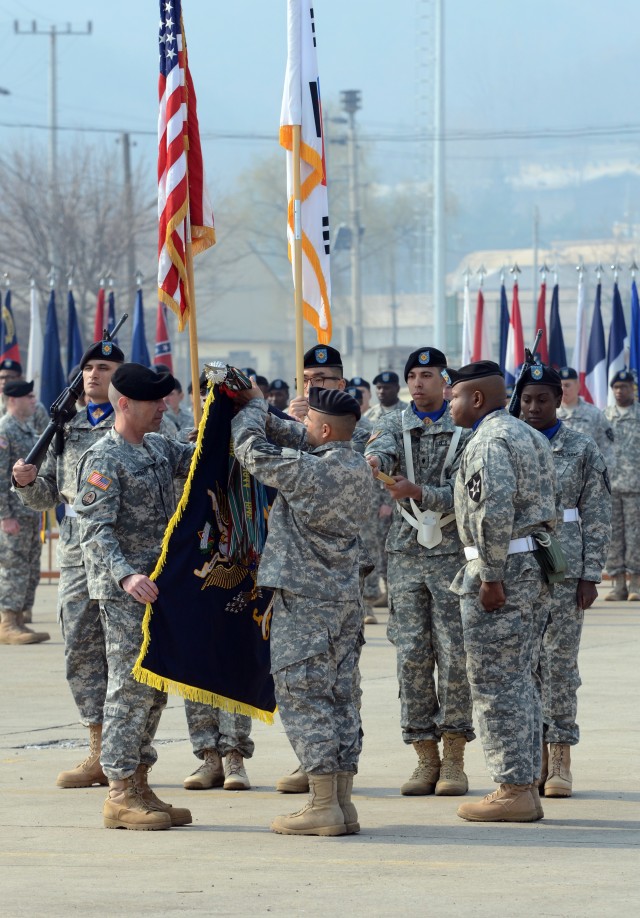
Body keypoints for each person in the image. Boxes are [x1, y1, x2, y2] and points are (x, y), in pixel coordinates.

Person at [232, 385, 373, 836]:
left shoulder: (310, 472)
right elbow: (297, 436)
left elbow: (249, 449)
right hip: (345, 600)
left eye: (309, 422)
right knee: (341, 697)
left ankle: (321, 804)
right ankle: (343, 805)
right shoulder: (357, 466)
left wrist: (252, 408)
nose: (303, 428)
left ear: (326, 429)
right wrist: (274, 412)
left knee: (303, 694)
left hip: (305, 600)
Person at [73, 363, 195, 831]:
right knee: (128, 687)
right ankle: (120, 791)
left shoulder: (159, 446)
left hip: (161, 587)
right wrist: (125, 575)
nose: (164, 407)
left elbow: (200, 460)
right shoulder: (104, 458)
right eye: (155, 401)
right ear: (125, 403)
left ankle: (141, 783)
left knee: (155, 688)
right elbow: (94, 529)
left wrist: (232, 413)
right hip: (127, 592)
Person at [447, 360, 559, 823]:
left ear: (476, 399)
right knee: (521, 680)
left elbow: (492, 511)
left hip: (504, 570)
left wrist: (491, 576)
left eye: (455, 395)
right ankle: (525, 784)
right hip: (531, 564)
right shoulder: (527, 434)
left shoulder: (490, 442)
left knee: (496, 683)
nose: (450, 403)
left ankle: (512, 787)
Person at [12, 341, 125, 787]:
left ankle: (126, 751)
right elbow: (49, 495)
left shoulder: (133, 425)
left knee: (122, 648)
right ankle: (96, 749)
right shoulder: (65, 426)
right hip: (77, 550)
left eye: (105, 368)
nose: (94, 375)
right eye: (89, 368)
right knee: (79, 645)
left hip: (121, 548)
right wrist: (26, 484)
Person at [365, 348, 474, 797]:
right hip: (407, 553)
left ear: (445, 382)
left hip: (451, 552)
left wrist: (421, 491)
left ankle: (453, 758)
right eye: (412, 375)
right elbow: (381, 450)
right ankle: (423, 754)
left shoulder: (466, 428)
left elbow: (470, 489)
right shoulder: (393, 423)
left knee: (454, 655)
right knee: (410, 654)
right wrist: (376, 463)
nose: (417, 383)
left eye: (426, 375)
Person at [520, 364, 611, 797]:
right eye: (527, 399)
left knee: (559, 665)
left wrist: (591, 574)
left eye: (542, 399)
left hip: (566, 568)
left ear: (560, 399)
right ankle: (531, 754)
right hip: (519, 570)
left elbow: (597, 512)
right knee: (524, 665)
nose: (534, 407)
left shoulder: (582, 445)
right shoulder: (509, 441)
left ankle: (559, 758)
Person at [0, 380, 49, 645]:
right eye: (28, 397)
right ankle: (7, 622)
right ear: (12, 400)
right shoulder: (5, 430)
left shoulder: (27, 428)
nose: (33, 401)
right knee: (14, 567)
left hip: (28, 512)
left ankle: (18, 619)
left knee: (28, 566)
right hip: (13, 515)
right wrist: (4, 516)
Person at [603, 369, 640, 600]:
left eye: (624, 387)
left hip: (636, 487)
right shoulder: (604, 416)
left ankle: (635, 583)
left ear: (632, 389)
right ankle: (618, 584)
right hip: (611, 487)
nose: (619, 391)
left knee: (636, 535)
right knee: (613, 536)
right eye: (616, 387)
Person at [557, 367, 615, 471]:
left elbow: (607, 452)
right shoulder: (550, 414)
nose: (563, 389)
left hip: (587, 480)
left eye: (567, 385)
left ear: (578, 386)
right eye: (560, 385)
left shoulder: (594, 414)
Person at [0, 358, 49, 433]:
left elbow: (48, 437)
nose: (4, 381)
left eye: (9, 377)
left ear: (20, 378)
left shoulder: (36, 407)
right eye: (1, 377)